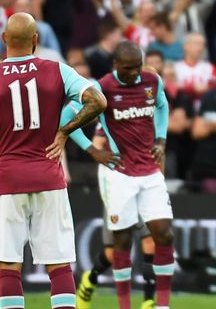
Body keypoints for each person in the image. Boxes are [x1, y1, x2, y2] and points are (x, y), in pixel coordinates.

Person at [0, 12, 107, 309]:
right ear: (36, 40)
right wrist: (64, 131)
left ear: (4, 39)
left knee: (9, 266)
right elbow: (98, 100)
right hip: (48, 177)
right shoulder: (58, 70)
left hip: (7, 179)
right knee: (59, 265)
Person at [66, 41, 173, 309]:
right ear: (115, 66)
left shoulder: (151, 80)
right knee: (120, 243)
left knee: (163, 235)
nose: (135, 74)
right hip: (119, 174)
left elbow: (161, 105)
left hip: (150, 172)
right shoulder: (102, 88)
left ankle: (159, 304)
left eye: (138, 66)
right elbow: (66, 116)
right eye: (128, 69)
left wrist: (160, 140)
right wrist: (92, 150)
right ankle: (123, 303)